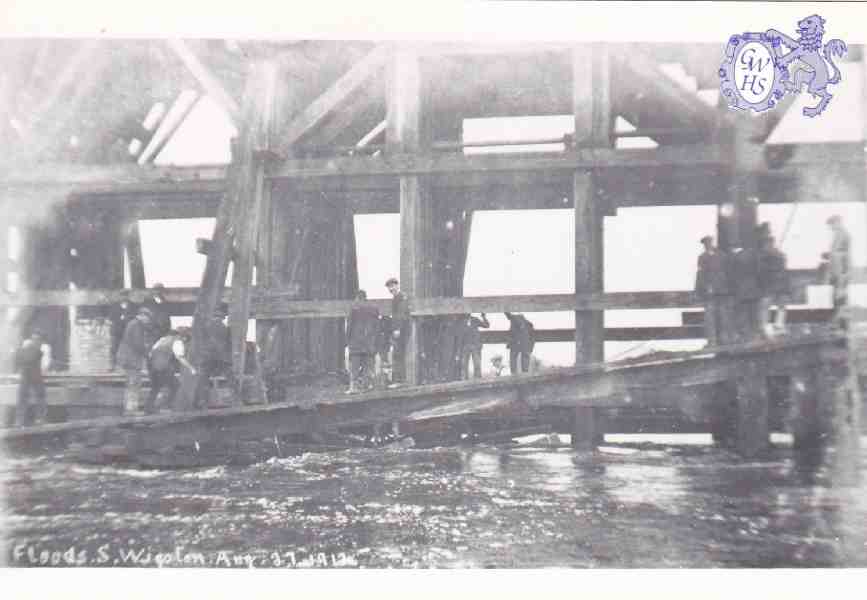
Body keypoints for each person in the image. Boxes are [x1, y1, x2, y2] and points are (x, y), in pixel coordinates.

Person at [145, 326, 195, 414]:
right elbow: (180, 357)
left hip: (152, 366)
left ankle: (149, 408)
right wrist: (191, 368)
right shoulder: (177, 342)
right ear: (182, 336)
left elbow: (151, 352)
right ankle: (162, 406)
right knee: (175, 386)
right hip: (162, 367)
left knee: (155, 387)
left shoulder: (162, 339)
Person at [116, 307, 154, 414]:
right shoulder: (136, 325)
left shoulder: (133, 324)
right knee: (134, 383)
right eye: (148, 318)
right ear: (142, 316)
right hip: (131, 359)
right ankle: (131, 409)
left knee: (131, 383)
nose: (148, 321)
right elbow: (138, 344)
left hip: (129, 358)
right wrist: (147, 353)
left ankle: (130, 408)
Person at [694, 235, 731, 346]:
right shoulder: (702, 257)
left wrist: (726, 288)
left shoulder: (722, 256)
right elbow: (700, 274)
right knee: (710, 317)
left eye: (709, 243)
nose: (707, 245)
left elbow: (727, 273)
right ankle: (712, 341)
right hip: (709, 292)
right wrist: (698, 290)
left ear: (712, 243)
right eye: (705, 244)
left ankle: (725, 340)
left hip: (721, 291)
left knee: (723, 316)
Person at [194, 307, 232, 408]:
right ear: (222, 317)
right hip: (222, 356)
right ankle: (236, 399)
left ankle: (201, 401)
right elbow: (228, 344)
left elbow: (200, 342)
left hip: (208, 356)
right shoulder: (225, 328)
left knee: (203, 380)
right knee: (230, 378)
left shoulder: (206, 326)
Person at [346, 290, 380, 393]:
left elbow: (349, 326)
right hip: (369, 343)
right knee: (367, 366)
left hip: (356, 343)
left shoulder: (354, 308)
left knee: (355, 366)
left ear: (357, 297)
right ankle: (366, 386)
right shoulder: (374, 308)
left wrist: (348, 341)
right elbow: (376, 327)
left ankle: (354, 388)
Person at [728, 244, 763, 343]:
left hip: (740, 290)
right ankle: (754, 335)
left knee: (742, 314)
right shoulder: (753, 256)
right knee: (753, 314)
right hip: (753, 288)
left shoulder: (735, 257)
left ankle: (744, 336)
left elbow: (731, 274)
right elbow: (759, 272)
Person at [758, 235, 790, 337]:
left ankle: (767, 327)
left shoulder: (766, 256)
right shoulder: (780, 254)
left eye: (766, 244)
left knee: (766, 306)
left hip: (770, 285)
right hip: (778, 284)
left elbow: (761, 270)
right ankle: (778, 326)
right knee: (780, 306)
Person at [14, 330, 47, 426]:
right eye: (34, 339)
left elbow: (18, 359)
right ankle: (38, 419)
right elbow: (41, 360)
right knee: (37, 396)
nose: (35, 341)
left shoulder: (29, 347)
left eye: (37, 339)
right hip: (32, 374)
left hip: (29, 374)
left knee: (25, 397)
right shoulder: (39, 348)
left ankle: (20, 420)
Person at [826, 215, 851, 330]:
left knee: (840, 297)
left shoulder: (844, 235)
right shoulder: (838, 235)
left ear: (838, 222)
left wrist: (845, 273)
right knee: (837, 297)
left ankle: (839, 323)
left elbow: (845, 255)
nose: (831, 227)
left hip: (841, 272)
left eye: (832, 224)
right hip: (837, 272)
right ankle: (839, 323)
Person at [386, 278, 410, 387]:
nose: (391, 289)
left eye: (392, 286)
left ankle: (400, 380)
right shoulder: (397, 298)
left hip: (401, 330)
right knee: (397, 354)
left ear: (397, 285)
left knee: (399, 354)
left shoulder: (401, 297)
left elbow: (401, 314)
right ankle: (399, 379)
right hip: (398, 330)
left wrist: (397, 329)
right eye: (389, 287)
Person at [109, 290, 137, 370]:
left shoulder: (133, 306)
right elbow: (111, 317)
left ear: (128, 296)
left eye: (126, 295)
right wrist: (120, 318)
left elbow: (134, 317)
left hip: (128, 330)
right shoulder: (114, 306)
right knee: (114, 348)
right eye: (122, 295)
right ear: (120, 296)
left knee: (130, 349)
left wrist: (127, 318)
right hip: (116, 330)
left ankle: (129, 365)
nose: (124, 297)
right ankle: (112, 365)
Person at [458, 313, 490, 379]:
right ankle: (464, 380)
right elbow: (459, 336)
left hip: (475, 345)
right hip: (465, 345)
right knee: (464, 364)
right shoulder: (461, 321)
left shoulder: (475, 319)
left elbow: (487, 325)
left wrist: (484, 316)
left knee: (477, 364)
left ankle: (477, 379)